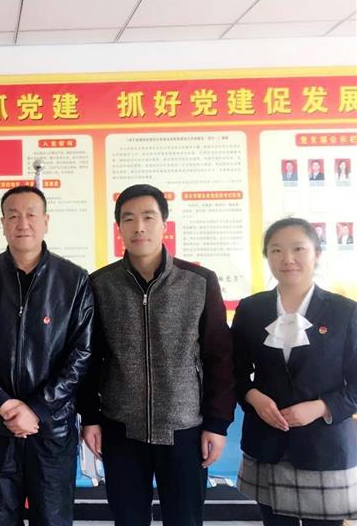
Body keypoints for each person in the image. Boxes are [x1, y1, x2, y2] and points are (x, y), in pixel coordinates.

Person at [78, 184, 235, 526]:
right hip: (121, 428)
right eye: (129, 219)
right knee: (128, 519)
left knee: (185, 519)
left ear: (164, 223)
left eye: (148, 217)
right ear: (119, 227)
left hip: (185, 428)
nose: (139, 227)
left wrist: (217, 423)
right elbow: (90, 358)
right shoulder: (100, 284)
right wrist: (89, 417)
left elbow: (219, 357)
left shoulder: (199, 281)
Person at [0, 185, 94, 525]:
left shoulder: (74, 279)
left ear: (46, 221)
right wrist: (4, 403)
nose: (23, 223)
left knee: (53, 518)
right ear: (2, 223)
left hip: (52, 429)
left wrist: (36, 409)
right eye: (13, 216)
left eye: (31, 215)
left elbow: (81, 354)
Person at [233, 217, 357, 525]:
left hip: (324, 446)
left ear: (317, 253)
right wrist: (253, 397)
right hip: (268, 443)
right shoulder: (250, 309)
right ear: (267, 256)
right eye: (276, 250)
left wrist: (320, 407)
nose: (287, 258)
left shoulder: (345, 311)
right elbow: (233, 371)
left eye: (298, 249)